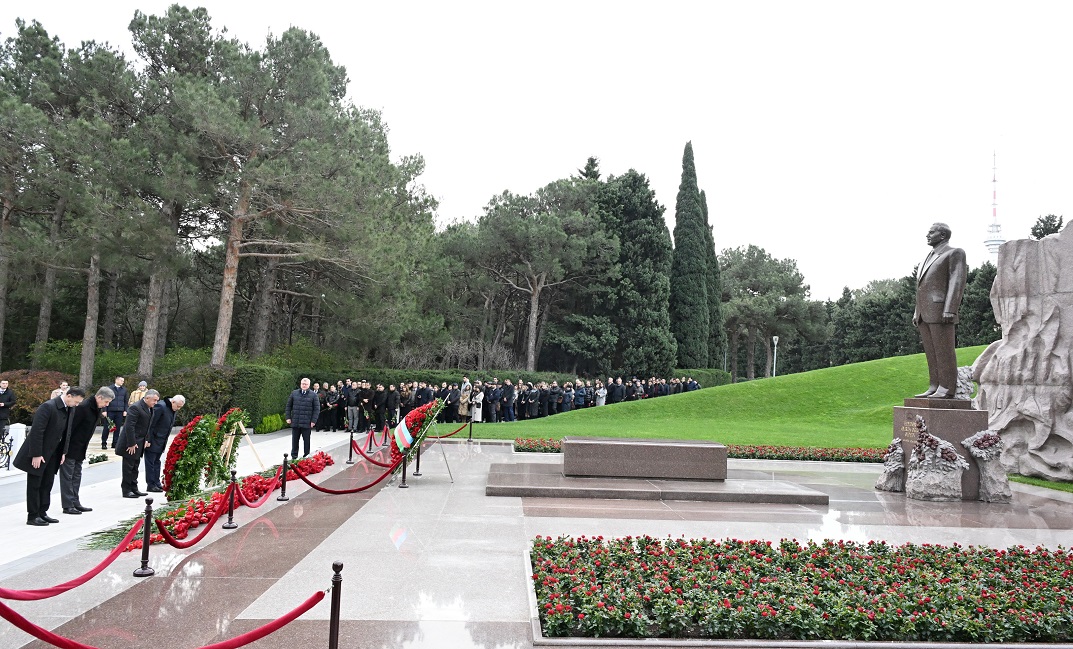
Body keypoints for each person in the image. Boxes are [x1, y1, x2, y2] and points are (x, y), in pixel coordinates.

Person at [16, 387, 86, 525]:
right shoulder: (48, 406)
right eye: (76, 401)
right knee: (35, 484)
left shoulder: (70, 408)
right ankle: (33, 515)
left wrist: (64, 452)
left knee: (47, 483)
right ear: (69, 396)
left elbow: (67, 433)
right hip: (40, 453)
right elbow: (37, 431)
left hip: (54, 452)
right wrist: (36, 454)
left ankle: (43, 512)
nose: (77, 405)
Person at [913, 222, 967, 399]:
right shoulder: (928, 257)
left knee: (944, 352)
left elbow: (956, 281)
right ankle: (934, 385)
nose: (927, 235)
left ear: (943, 235)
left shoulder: (955, 253)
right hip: (924, 312)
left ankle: (946, 388)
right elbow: (922, 288)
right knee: (931, 353)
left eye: (931, 232)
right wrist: (916, 311)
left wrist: (950, 309)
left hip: (941, 310)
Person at [60, 386, 114, 514]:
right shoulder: (83, 407)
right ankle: (68, 505)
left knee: (76, 475)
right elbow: (70, 428)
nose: (106, 405)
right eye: (106, 402)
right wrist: (64, 449)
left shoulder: (96, 408)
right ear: (99, 397)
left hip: (81, 446)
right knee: (68, 476)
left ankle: (75, 501)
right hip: (71, 446)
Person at [117, 389, 160, 498]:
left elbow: (148, 426)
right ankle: (126, 490)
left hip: (140, 441)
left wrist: (147, 439)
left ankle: (134, 488)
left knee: (135, 466)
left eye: (157, 400)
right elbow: (129, 426)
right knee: (128, 467)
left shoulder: (150, 408)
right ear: (147, 398)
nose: (155, 403)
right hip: (130, 442)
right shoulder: (135, 407)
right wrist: (131, 443)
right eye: (154, 400)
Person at [144, 394, 185, 492]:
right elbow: (151, 423)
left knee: (157, 461)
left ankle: (157, 482)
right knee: (150, 462)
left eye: (180, 407)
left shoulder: (172, 408)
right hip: (153, 439)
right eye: (178, 406)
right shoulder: (161, 406)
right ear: (173, 402)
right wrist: (148, 439)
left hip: (161, 440)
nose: (178, 409)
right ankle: (151, 484)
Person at [286, 378, 320, 459]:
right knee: (295, 440)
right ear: (300, 384)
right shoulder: (294, 393)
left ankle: (306, 456)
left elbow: (316, 409)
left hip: (307, 422)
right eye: (303, 384)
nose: (304, 385)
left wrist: (313, 421)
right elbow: (288, 406)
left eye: (306, 384)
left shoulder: (313, 395)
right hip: (296, 421)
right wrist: (288, 417)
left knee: (306, 441)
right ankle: (294, 456)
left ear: (309, 385)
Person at [104, 376, 127, 449]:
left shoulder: (124, 390)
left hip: (120, 411)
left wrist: (125, 410)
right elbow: (105, 399)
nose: (122, 382)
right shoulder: (109, 389)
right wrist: (104, 410)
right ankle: (104, 442)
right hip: (110, 410)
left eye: (123, 381)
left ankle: (115, 443)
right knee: (107, 427)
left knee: (117, 428)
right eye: (121, 380)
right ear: (116, 380)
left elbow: (126, 401)